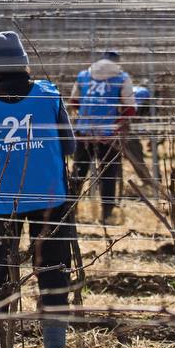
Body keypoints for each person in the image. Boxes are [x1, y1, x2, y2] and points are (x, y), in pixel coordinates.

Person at [0, 31, 77, 348]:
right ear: (24, 64)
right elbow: (71, 147)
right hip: (50, 200)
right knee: (52, 273)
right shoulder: (50, 96)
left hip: (1, 201)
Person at [69, 49, 136, 223]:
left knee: (78, 173)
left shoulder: (83, 75)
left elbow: (74, 102)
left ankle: (69, 211)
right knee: (108, 174)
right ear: (117, 61)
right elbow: (130, 108)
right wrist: (118, 122)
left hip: (84, 133)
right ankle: (106, 215)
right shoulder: (122, 78)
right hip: (108, 134)